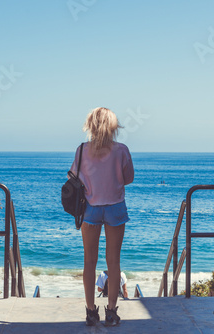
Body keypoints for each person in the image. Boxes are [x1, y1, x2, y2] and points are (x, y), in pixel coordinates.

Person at [69, 107, 134, 327]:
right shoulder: (121, 150)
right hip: (115, 207)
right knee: (113, 261)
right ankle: (112, 311)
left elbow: (74, 177)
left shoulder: (81, 150)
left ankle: (90, 311)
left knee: (89, 261)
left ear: (91, 125)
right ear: (113, 126)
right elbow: (129, 178)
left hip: (90, 209)